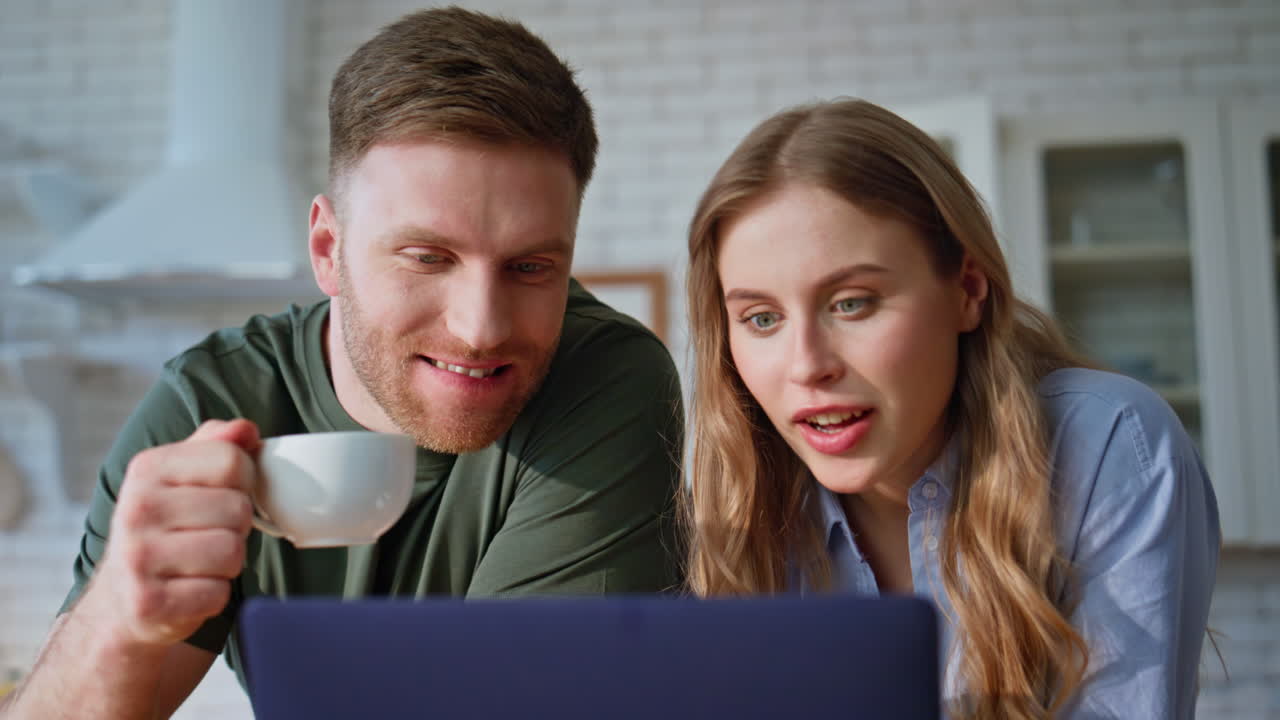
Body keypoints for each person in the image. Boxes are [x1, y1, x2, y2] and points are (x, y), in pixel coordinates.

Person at [2, 8, 682, 719]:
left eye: (530, 267)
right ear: (328, 250)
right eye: (427, 258)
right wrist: (114, 617)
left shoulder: (604, 376)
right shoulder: (209, 400)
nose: (481, 329)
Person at [681, 98, 1219, 718]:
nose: (806, 366)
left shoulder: (1107, 444)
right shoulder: (742, 507)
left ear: (966, 290)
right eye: (761, 318)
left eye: (852, 303)